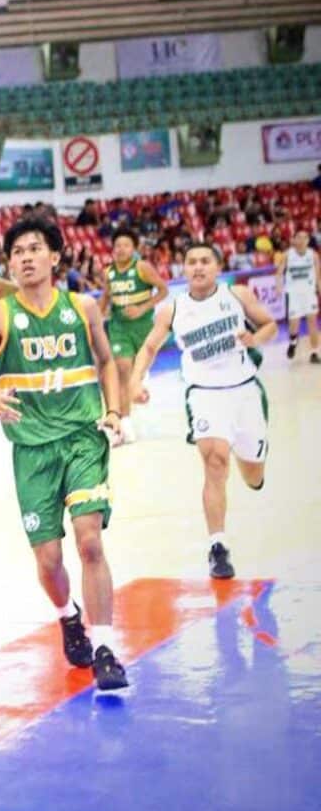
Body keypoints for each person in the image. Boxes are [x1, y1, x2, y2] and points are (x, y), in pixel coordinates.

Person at [0, 215, 128, 695]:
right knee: (49, 559)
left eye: (35, 249)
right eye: (17, 252)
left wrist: (115, 410)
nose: (26, 258)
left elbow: (105, 361)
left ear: (55, 257)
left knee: (89, 541)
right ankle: (67, 615)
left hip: (82, 437)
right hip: (31, 450)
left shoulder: (82, 308)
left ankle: (105, 648)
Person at [129, 243, 277, 579]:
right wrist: (135, 382)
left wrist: (257, 339)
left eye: (205, 261)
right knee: (215, 462)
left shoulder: (237, 295)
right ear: (183, 269)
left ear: (217, 266)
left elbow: (268, 325)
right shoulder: (173, 309)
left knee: (253, 476)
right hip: (204, 394)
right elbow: (150, 346)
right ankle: (218, 546)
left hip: (245, 391)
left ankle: (249, 459)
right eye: (191, 262)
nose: (198, 267)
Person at [98, 228, 169, 444]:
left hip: (143, 327)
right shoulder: (108, 271)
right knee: (121, 372)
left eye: (126, 245)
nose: (121, 249)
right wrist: (98, 317)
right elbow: (107, 296)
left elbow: (163, 290)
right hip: (119, 327)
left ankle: (138, 382)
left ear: (134, 248)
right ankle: (123, 424)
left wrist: (142, 308)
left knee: (135, 374)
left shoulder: (142, 268)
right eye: (117, 245)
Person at [275, 229, 320, 363]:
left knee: (313, 322)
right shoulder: (287, 255)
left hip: (309, 293)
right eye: (299, 237)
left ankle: (314, 353)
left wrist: (319, 287)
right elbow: (279, 273)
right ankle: (293, 341)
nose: (302, 240)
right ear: (294, 240)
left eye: (305, 238)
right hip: (293, 294)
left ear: (308, 240)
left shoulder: (313, 255)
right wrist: (278, 286)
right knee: (294, 325)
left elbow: (318, 274)